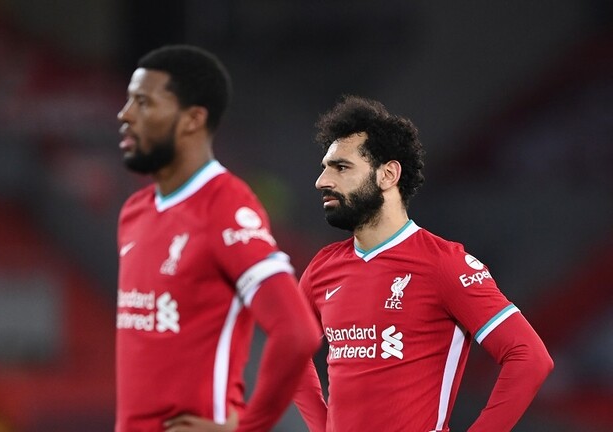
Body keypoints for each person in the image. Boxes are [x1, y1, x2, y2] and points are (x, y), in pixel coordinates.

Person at [293, 95, 554, 431]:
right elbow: (290, 349)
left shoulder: (444, 264)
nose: (322, 181)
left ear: (388, 174)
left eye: (341, 167)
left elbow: (529, 357)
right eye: (325, 167)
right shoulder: (323, 267)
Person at [115, 44, 321, 432]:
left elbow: (297, 332)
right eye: (128, 101)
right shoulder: (135, 211)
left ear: (193, 119)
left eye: (143, 103)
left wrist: (248, 427)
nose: (125, 114)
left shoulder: (224, 205)